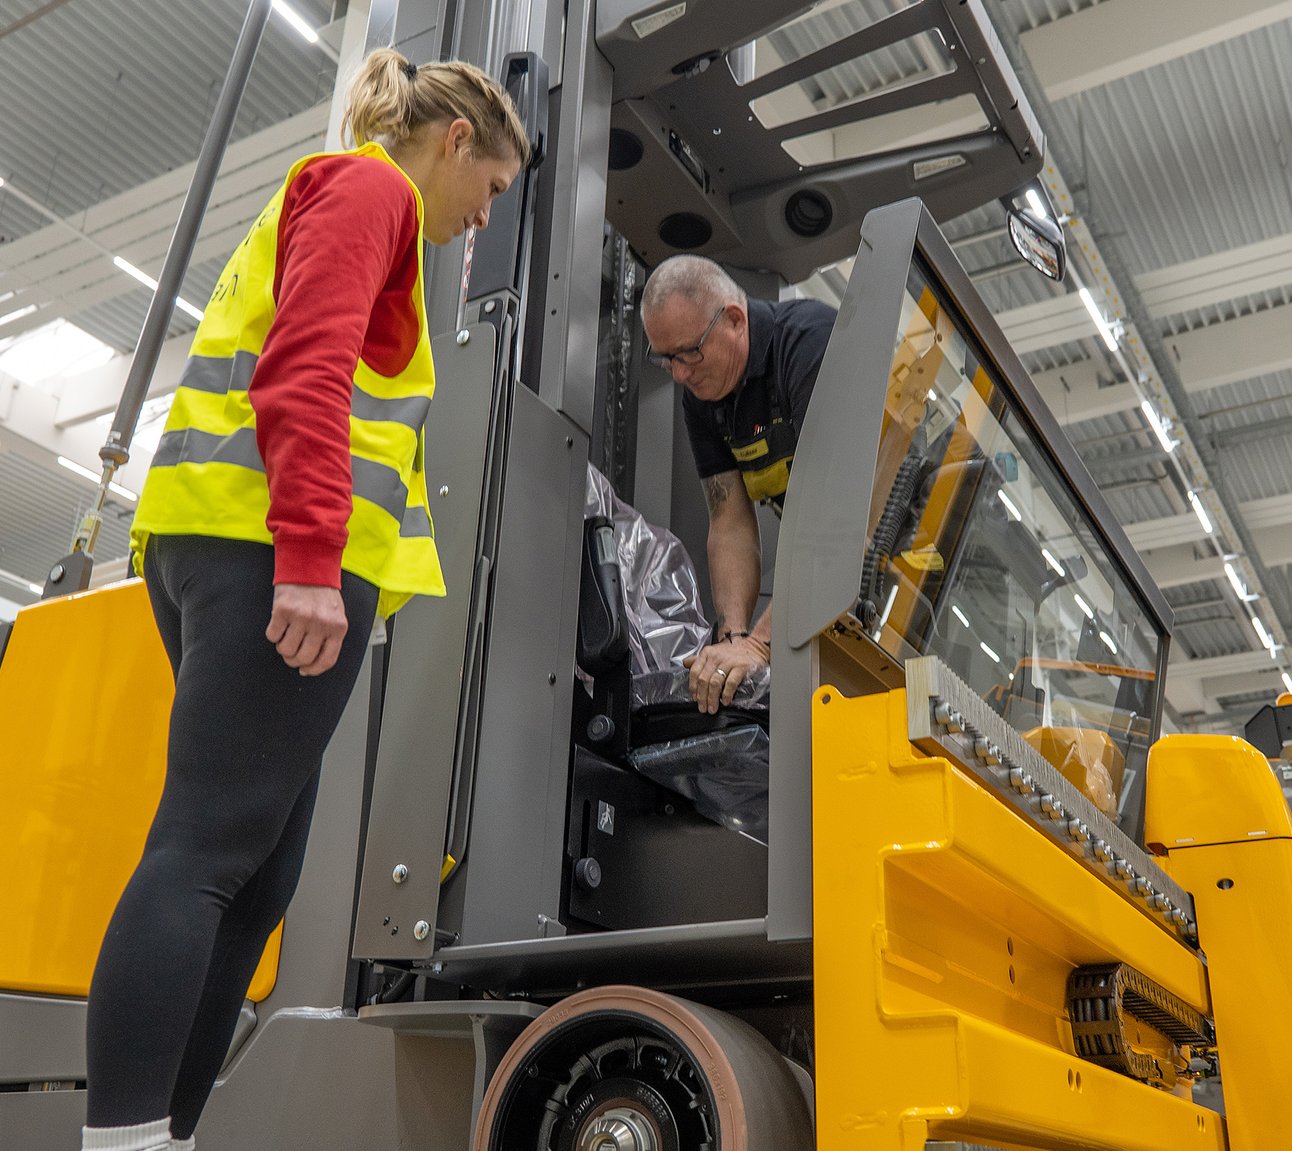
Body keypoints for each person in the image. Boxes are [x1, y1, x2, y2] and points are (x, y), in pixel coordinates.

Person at [80, 49, 527, 1151]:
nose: (482, 219)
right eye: (493, 191)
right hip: (257, 545)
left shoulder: (366, 208)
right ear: (456, 143)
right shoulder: (368, 186)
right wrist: (312, 562)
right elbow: (305, 368)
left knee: (259, 871)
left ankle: (167, 1133)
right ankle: (126, 1138)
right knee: (204, 850)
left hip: (241, 541)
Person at [638, 256, 835, 714]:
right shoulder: (703, 396)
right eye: (666, 360)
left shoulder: (810, 344)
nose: (681, 374)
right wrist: (734, 639)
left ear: (734, 319)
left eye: (689, 352)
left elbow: (834, 518)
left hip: (907, 553)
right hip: (830, 564)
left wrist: (762, 647)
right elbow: (728, 519)